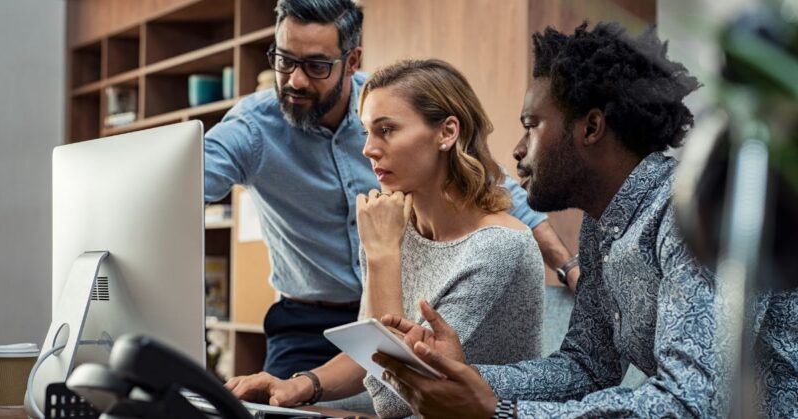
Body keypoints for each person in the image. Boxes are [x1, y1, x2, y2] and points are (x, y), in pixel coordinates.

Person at [370, 22, 745, 418]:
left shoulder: (691, 214)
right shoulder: (602, 226)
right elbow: (586, 368)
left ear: (591, 127)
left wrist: (501, 412)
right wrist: (464, 377)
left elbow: (692, 403)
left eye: (531, 126)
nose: (516, 150)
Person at [204, 0, 576, 381]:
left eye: (316, 66)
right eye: (284, 61)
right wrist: (308, 384)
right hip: (307, 319)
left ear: (351, 61)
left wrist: (568, 265)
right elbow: (184, 185)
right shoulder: (251, 130)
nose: (295, 80)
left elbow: (503, 192)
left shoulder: (390, 102)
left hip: (400, 307)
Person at [225, 59, 546, 418]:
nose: (368, 149)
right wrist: (301, 384)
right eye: (366, 132)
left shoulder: (499, 247)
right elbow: (369, 353)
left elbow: (395, 397)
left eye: (387, 130)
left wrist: (381, 255)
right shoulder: (393, 227)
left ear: (447, 132)